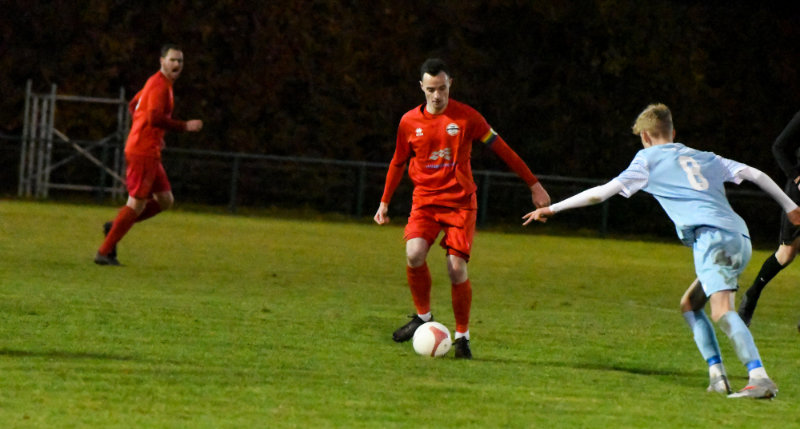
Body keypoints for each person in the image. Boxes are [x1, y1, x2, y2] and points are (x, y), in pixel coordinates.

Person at [524, 103, 800, 398]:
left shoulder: (646, 160)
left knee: (722, 310)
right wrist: (791, 206)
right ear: (673, 132)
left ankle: (759, 378)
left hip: (712, 238)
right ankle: (717, 376)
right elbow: (754, 174)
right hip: (739, 236)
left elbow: (601, 193)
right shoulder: (704, 156)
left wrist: (553, 208)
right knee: (690, 304)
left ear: (645, 136)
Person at [374, 58, 551, 359]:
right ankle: (423, 317)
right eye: (431, 89)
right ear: (421, 87)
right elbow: (398, 161)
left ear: (450, 84)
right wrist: (384, 201)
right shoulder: (408, 122)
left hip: (460, 204)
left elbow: (502, 149)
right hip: (425, 201)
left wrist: (534, 184)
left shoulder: (468, 118)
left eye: (442, 88)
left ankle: (462, 337)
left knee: (456, 269)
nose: (437, 95)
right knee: (414, 254)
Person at [94, 44, 203, 265]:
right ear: (161, 61)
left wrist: (150, 132)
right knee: (136, 204)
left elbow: (134, 105)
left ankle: (116, 227)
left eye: (180, 61)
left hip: (148, 148)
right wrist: (184, 126)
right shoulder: (160, 86)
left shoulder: (157, 82)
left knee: (165, 200)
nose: (177, 64)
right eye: (172, 60)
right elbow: (154, 117)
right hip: (143, 151)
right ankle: (104, 253)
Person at [738, 111, 800, 327]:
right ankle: (752, 295)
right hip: (798, 195)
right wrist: (797, 176)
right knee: (786, 254)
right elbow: (778, 147)